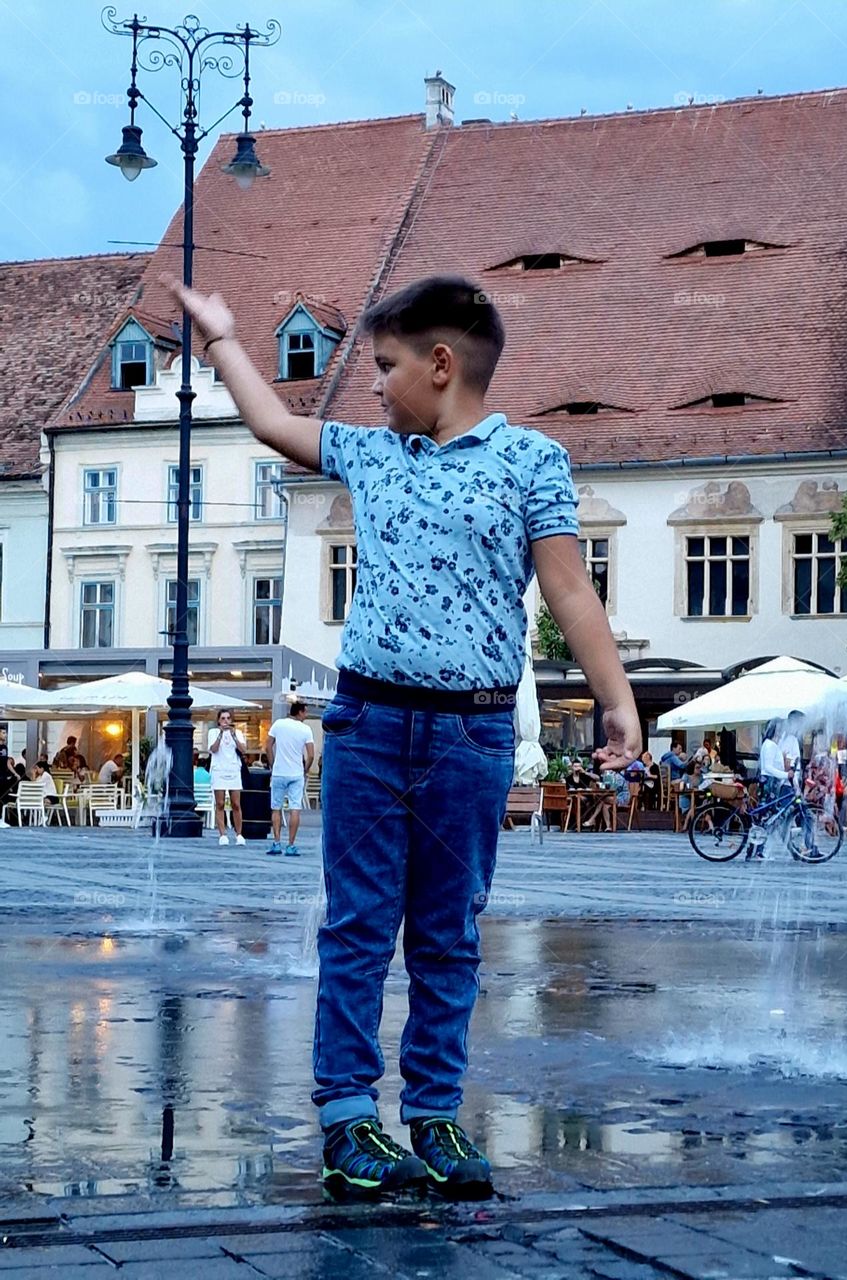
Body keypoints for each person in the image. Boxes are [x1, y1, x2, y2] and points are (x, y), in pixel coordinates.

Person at [163, 270, 641, 1200]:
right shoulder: (375, 455)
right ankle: (347, 1118)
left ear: (440, 363)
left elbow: (569, 591)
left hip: (471, 737)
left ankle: (433, 1113)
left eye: (383, 367)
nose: (373, 386)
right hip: (370, 725)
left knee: (448, 936)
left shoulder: (532, 463)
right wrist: (221, 338)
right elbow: (272, 426)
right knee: (356, 927)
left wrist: (615, 696)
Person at [266, 700, 315, 857]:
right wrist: (305, 769)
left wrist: (272, 764)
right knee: (295, 808)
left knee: (276, 808)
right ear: (300, 712)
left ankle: (276, 842)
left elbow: (268, 746)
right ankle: (291, 844)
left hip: (279, 771)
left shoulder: (278, 724)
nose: (306, 715)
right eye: (305, 712)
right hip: (296, 773)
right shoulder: (306, 729)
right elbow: (311, 755)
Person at [207, 710, 246, 846]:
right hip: (219, 770)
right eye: (223, 718)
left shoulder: (238, 733)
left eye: (228, 718)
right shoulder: (213, 732)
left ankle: (239, 834)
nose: (226, 721)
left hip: (233, 769)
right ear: (218, 720)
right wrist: (220, 734)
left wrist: (234, 736)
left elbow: (243, 750)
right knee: (220, 803)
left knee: (236, 803)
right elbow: (213, 749)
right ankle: (222, 834)